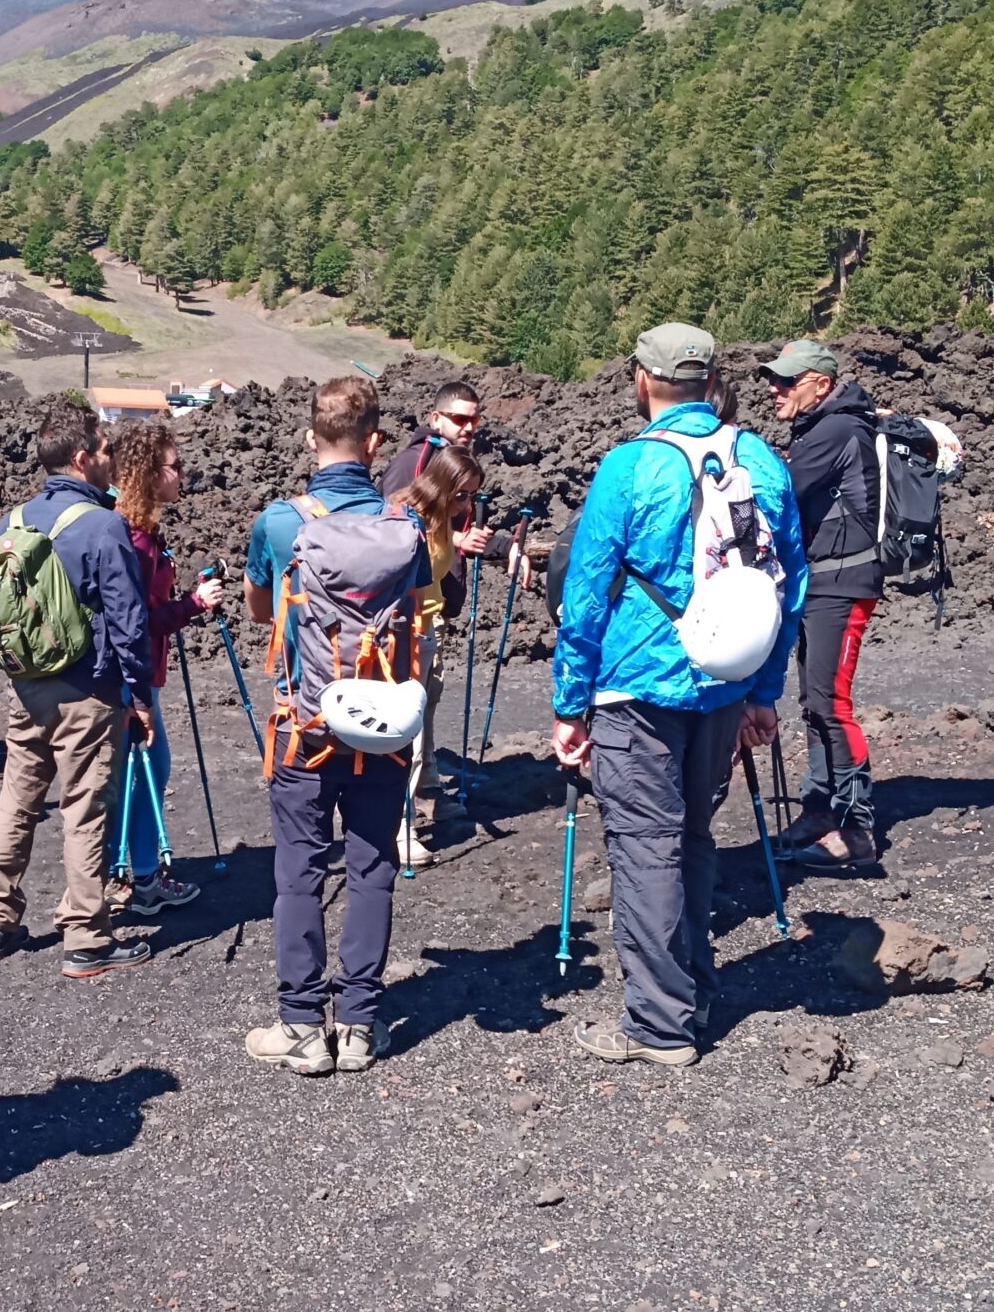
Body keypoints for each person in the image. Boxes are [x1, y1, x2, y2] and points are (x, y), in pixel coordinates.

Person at [551, 324, 805, 1067]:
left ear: (641, 380)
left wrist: (571, 706)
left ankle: (660, 1024)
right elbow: (789, 583)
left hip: (638, 685)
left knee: (644, 849)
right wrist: (763, 688)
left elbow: (586, 596)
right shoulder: (758, 459)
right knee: (691, 837)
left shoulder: (629, 469)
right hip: (724, 686)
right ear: (711, 379)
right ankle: (693, 987)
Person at [242, 375, 424, 1075]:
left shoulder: (281, 523)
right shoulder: (403, 529)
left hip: (306, 727)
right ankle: (359, 1026)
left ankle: (299, 1027)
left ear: (308, 438)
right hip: (382, 725)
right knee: (373, 865)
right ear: (376, 444)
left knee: (299, 872)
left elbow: (264, 612)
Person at [0, 397, 155, 977]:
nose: (111, 460)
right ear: (82, 458)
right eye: (105, 450)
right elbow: (129, 622)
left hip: (27, 685)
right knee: (84, 808)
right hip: (87, 690)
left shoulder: (15, 521)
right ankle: (86, 936)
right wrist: (139, 695)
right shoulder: (104, 525)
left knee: (17, 800)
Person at [758, 339, 882, 868]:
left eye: (789, 380)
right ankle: (820, 807)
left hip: (842, 581)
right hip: (823, 581)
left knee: (830, 702)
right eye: (775, 379)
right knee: (816, 700)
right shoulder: (820, 427)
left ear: (822, 385)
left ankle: (857, 830)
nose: (775, 389)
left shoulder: (833, 430)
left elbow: (779, 496)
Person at [108, 419, 224, 915]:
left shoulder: (137, 531)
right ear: (150, 473)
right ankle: (145, 879)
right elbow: (137, 621)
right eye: (175, 467)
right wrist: (194, 605)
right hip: (131, 676)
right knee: (148, 771)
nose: (184, 476)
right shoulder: (133, 540)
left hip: (126, 674)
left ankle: (120, 876)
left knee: (128, 776)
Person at [378, 381, 497, 807]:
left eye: (475, 419)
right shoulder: (413, 469)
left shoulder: (446, 494)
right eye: (461, 418)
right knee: (409, 715)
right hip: (408, 626)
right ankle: (400, 816)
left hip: (430, 617)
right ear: (436, 418)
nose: (470, 427)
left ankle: (426, 788)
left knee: (426, 705)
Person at [385, 441, 484, 867]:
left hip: (429, 631)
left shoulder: (441, 519)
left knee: (420, 729)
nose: (467, 505)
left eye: (472, 496)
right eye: (461, 494)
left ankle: (410, 808)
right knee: (406, 735)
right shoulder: (405, 518)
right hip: (403, 638)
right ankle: (397, 828)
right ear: (441, 483)